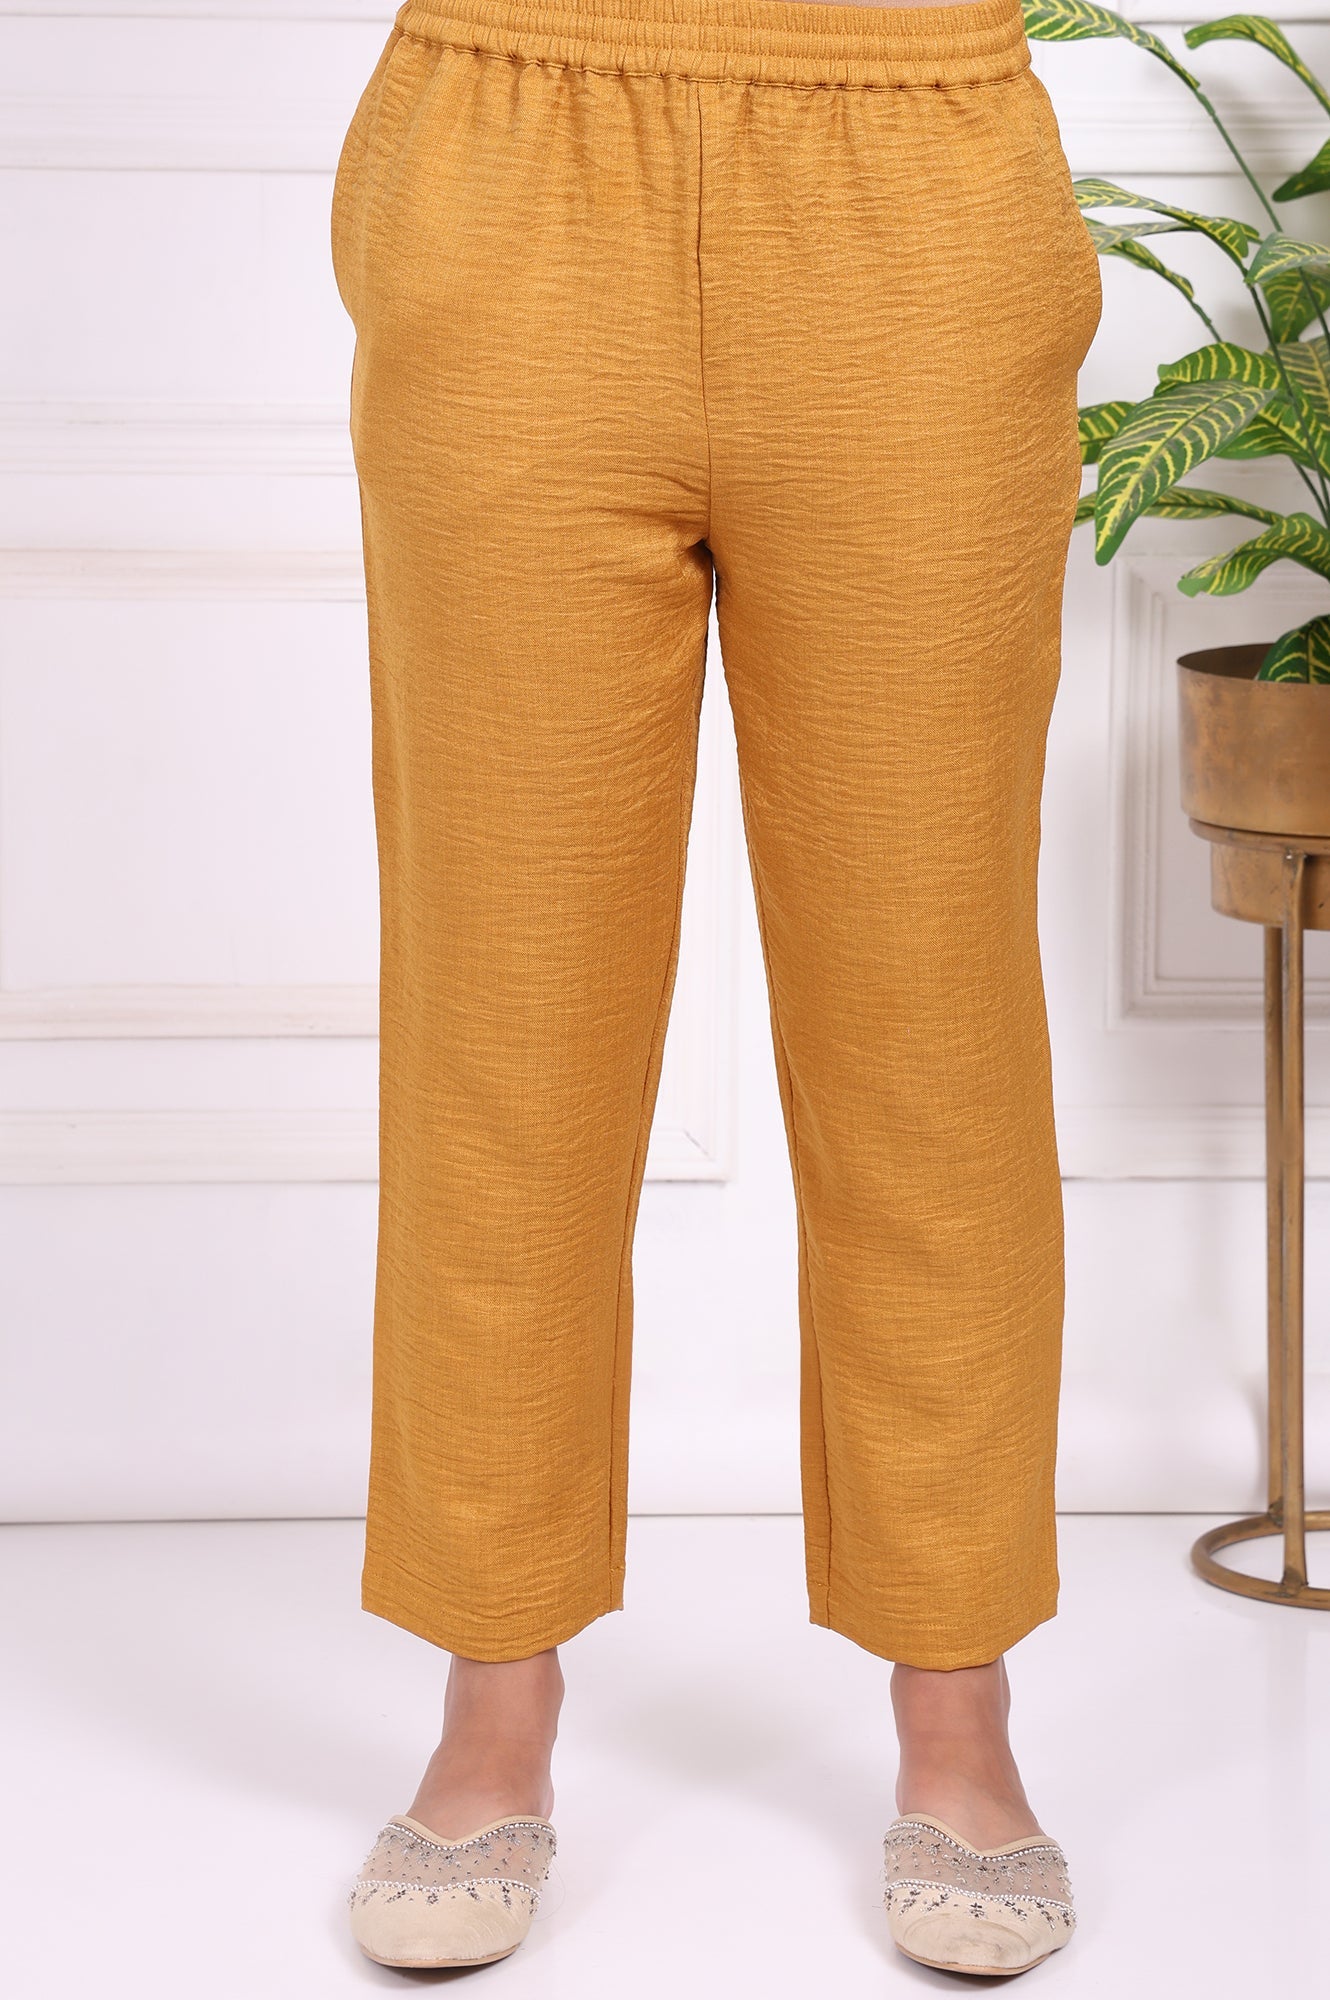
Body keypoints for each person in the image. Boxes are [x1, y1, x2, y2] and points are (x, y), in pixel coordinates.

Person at [331, 0, 1100, 1975]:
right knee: (503, 1019)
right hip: (508, 141)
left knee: (925, 1027)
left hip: (913, 170)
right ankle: (490, 1701)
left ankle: (958, 1715)